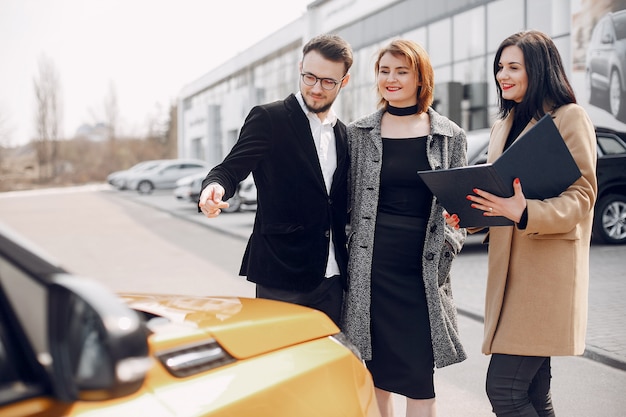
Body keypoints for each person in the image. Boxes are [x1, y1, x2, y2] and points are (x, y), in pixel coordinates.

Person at [446, 30, 597, 416]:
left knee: (503, 390)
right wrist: (470, 214)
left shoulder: (569, 118)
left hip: (545, 280)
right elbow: (502, 194)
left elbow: (582, 196)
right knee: (531, 392)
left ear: (540, 70)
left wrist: (525, 211)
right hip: (508, 280)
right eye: (500, 67)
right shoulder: (504, 123)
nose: (502, 75)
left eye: (514, 66)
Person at [343, 39, 467, 417]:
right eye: (384, 71)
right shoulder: (357, 134)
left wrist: (451, 237)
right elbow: (341, 202)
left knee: (419, 377)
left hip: (421, 274)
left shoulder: (450, 135)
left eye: (401, 71)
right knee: (375, 372)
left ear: (420, 77)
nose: (391, 79)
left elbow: (462, 209)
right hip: (371, 271)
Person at [197, 34, 353, 327]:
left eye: (328, 82)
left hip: (333, 279)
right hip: (282, 274)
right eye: (310, 77)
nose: (316, 88)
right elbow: (230, 168)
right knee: (282, 366)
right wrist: (214, 187)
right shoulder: (269, 118)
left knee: (324, 367)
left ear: (344, 82)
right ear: (300, 68)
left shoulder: (344, 135)